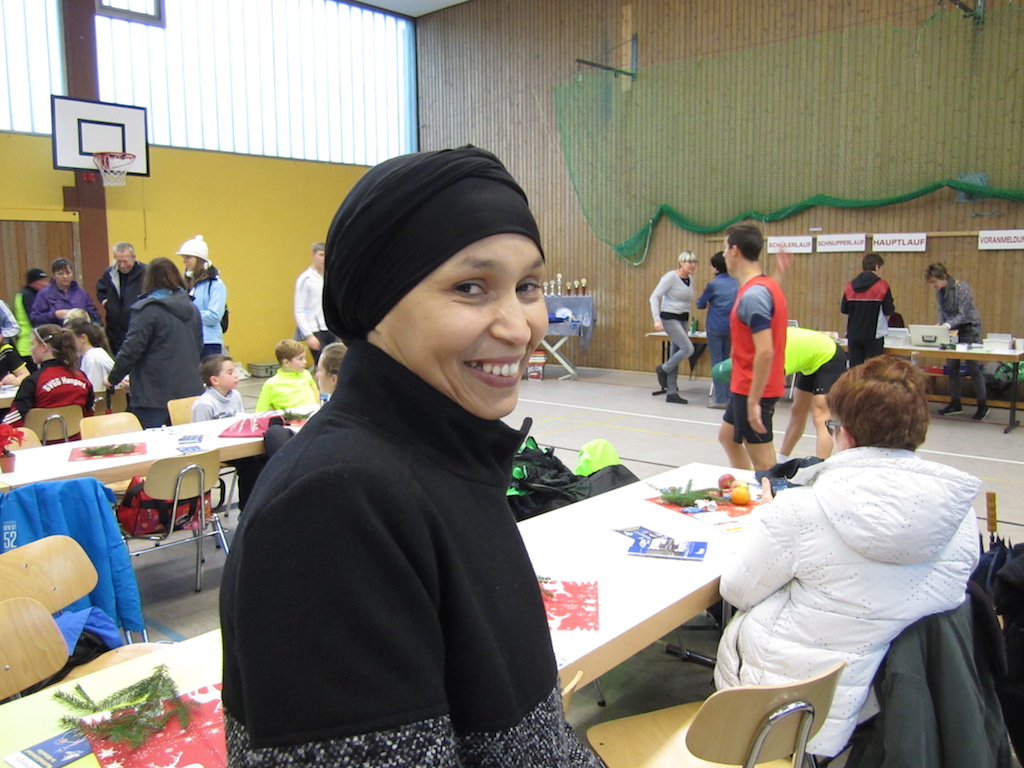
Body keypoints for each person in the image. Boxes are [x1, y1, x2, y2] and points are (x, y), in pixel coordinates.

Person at [220, 146, 600, 767]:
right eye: (470, 288)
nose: (519, 327)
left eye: (527, 286)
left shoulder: (447, 456)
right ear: (377, 301)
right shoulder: (336, 506)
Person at [713, 356, 980, 759]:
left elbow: (736, 590)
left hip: (786, 711)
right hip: (894, 704)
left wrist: (768, 518)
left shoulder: (800, 510)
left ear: (846, 434)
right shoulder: (958, 513)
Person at [717, 223, 788, 472]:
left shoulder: (753, 296)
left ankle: (769, 493)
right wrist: (780, 272)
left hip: (752, 387)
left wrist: (754, 401)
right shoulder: (766, 286)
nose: (723, 254)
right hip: (747, 384)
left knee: (764, 463)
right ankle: (743, 485)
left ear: (735, 250)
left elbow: (765, 351)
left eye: (725, 248)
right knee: (727, 437)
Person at [106, 257, 204, 429]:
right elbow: (199, 346)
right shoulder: (193, 309)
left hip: (154, 396)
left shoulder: (147, 310)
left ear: (148, 279)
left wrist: (113, 378)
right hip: (190, 392)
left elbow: (131, 350)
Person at [3, 324, 94, 438]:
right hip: (77, 441)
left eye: (32, 344)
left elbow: (12, 423)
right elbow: (89, 413)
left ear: (44, 347)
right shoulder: (81, 376)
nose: (30, 349)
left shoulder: (34, 381)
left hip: (41, 444)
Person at [926, 262, 988, 420]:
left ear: (943, 277)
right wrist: (940, 324)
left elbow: (964, 313)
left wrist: (947, 324)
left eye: (935, 282)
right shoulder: (940, 291)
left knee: (973, 368)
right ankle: (955, 403)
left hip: (969, 329)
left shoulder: (961, 287)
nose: (933, 286)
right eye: (931, 283)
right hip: (952, 330)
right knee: (952, 367)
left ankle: (982, 405)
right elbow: (941, 310)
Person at [777, 327, 849, 461]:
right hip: (809, 359)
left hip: (828, 355)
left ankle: (820, 465)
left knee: (820, 414)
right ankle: (781, 459)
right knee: (797, 410)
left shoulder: (773, 353)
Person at [649, 250, 699, 404]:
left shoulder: (690, 279)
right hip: (670, 318)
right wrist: (656, 319)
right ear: (681, 262)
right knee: (688, 349)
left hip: (683, 318)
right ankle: (663, 369)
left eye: (694, 262)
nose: (692, 265)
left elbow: (686, 302)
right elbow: (654, 296)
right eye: (689, 261)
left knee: (676, 354)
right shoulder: (671, 277)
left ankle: (671, 392)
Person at [696, 250, 738, 409]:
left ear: (715, 268)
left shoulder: (713, 285)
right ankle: (731, 396)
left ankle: (721, 398)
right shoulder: (736, 283)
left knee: (717, 361)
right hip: (731, 326)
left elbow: (700, 303)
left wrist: (708, 303)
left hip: (715, 326)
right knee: (728, 361)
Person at [841, 253, 895, 367]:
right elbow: (888, 310)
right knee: (874, 371)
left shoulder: (849, 286)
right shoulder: (882, 286)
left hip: (853, 335)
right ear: (877, 267)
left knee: (855, 371)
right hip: (874, 336)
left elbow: (844, 309)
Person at [178, 235, 227, 358]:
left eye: (188, 257)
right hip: (188, 341)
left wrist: (187, 315)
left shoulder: (215, 284)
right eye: (183, 257)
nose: (184, 261)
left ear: (199, 260)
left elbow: (214, 316)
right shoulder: (186, 284)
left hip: (209, 343)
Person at [95, 242, 147, 355]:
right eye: (118, 261)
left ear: (134, 257)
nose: (122, 265)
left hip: (136, 327)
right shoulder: (109, 273)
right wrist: (106, 303)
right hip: (114, 330)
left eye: (125, 261)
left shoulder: (146, 273)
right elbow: (101, 289)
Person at [293, 241, 337, 363]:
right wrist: (309, 335)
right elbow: (299, 310)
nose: (324, 259)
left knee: (336, 363)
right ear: (313, 255)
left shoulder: (330, 276)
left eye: (326, 255)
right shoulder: (306, 279)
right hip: (315, 329)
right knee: (322, 363)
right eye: (321, 255)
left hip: (331, 328)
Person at [29, 258, 101, 327]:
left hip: (79, 332)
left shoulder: (82, 294)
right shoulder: (43, 295)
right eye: (60, 274)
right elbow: (35, 319)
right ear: (54, 275)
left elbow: (95, 317)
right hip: (56, 333)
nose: (65, 276)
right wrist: (54, 315)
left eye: (68, 273)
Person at [253, 339, 320, 412]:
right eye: (300, 359)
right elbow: (260, 412)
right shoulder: (271, 384)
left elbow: (317, 398)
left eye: (304, 358)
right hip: (290, 418)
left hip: (313, 415)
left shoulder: (306, 374)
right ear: (286, 363)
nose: (305, 361)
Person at [66, 319, 116, 394]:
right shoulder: (92, 355)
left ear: (83, 338)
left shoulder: (92, 358)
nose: (67, 343)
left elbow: (94, 390)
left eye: (69, 339)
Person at [13, 268, 49, 367]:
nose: (45, 284)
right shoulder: (29, 296)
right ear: (33, 282)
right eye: (42, 281)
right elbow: (35, 319)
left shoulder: (24, 294)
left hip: (28, 346)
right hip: (29, 346)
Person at [192, 354, 243, 422]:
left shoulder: (236, 395)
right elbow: (201, 428)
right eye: (230, 373)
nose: (236, 375)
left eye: (235, 371)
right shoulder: (204, 404)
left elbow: (242, 422)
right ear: (215, 380)